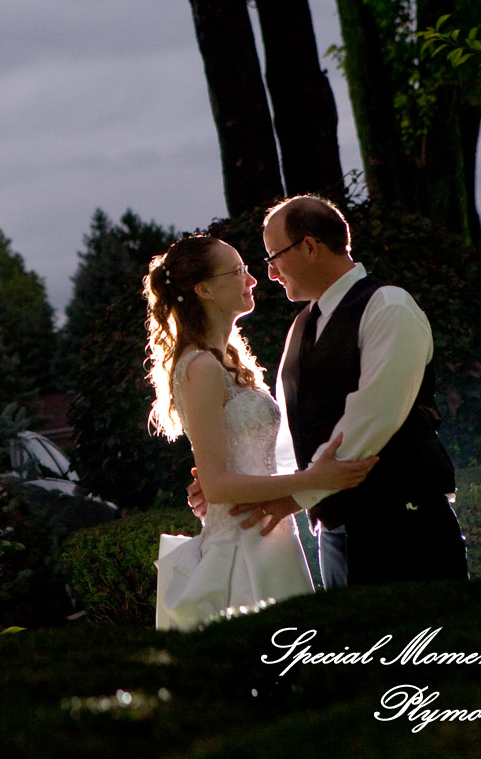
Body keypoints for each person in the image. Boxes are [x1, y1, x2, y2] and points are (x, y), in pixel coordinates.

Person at [192, 195, 467, 588]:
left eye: (273, 257)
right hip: (335, 536)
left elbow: (370, 421)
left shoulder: (388, 307)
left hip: (405, 529)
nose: (270, 274)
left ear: (309, 246)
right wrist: (236, 482)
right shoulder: (302, 326)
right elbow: (293, 433)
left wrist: (294, 497)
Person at [144, 234, 376, 630]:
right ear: (203, 290)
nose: (252, 279)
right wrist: (311, 481)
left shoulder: (228, 360)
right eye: (237, 272)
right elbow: (217, 485)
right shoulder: (200, 367)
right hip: (241, 544)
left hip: (270, 534)